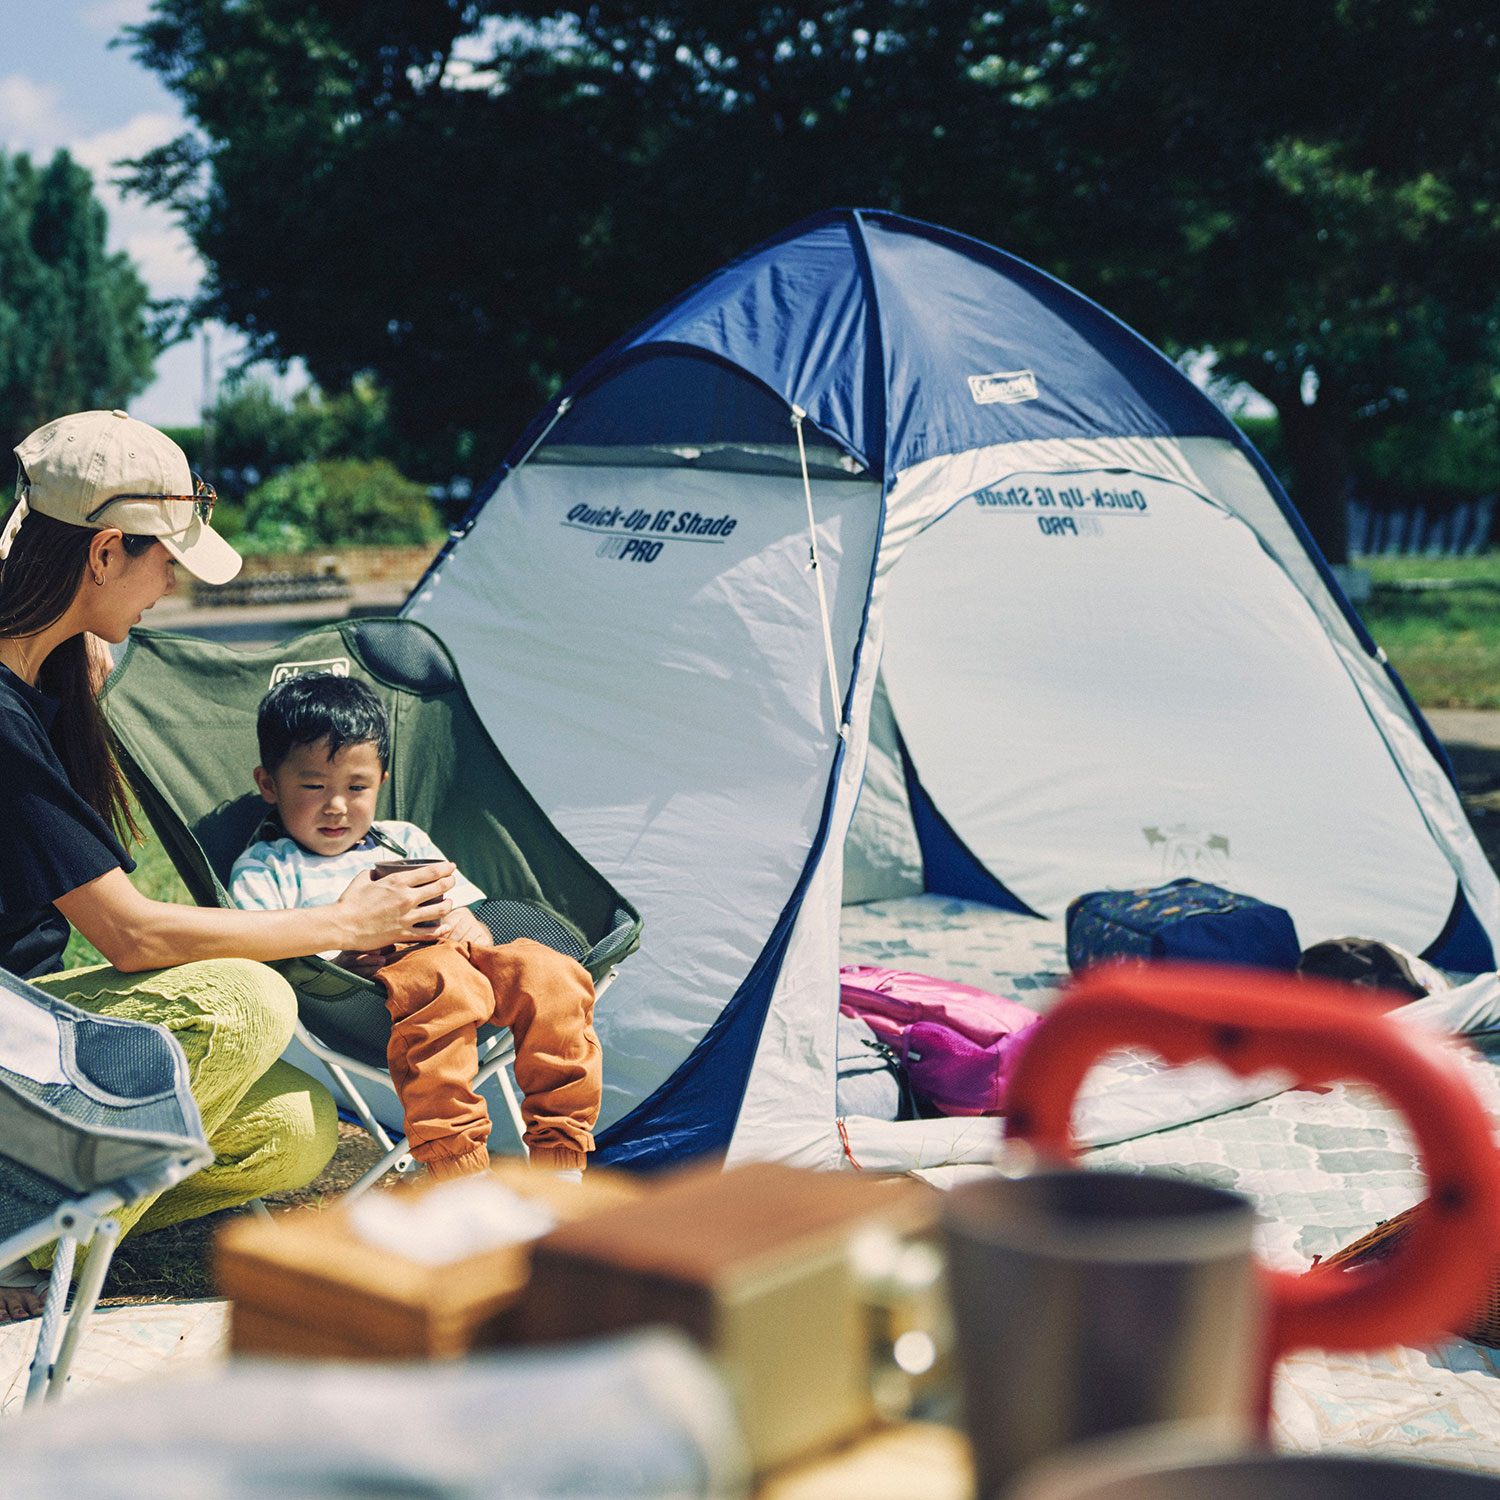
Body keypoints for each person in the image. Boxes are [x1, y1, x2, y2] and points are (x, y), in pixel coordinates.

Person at [0, 409, 457, 1320]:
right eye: (164, 558)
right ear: (101, 557)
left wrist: (73, 668)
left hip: (26, 1025)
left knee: (295, 1129)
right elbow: (129, 933)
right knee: (245, 1002)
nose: (169, 584)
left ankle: (48, 1228)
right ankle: (20, 1241)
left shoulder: (40, 680)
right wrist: (343, 922)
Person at [229, 673, 601, 1182]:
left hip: (462, 960)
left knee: (553, 974)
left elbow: (467, 905)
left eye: (356, 787)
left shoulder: (402, 840)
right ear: (270, 784)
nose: (337, 806)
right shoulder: (267, 866)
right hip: (366, 995)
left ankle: (561, 1158)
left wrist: (469, 923)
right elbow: (265, 950)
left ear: (381, 782)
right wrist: (340, 957)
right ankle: (460, 1168)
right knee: (438, 980)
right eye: (314, 786)